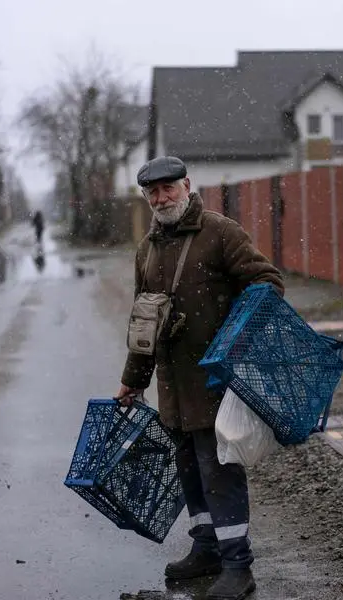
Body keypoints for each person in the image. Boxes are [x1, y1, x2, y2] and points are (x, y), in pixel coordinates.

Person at [116, 156, 284, 600]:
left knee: (219, 469)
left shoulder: (220, 232)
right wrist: (134, 379)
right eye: (152, 192)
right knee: (189, 468)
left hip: (215, 384)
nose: (161, 198)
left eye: (168, 188)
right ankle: (206, 548)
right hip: (173, 385)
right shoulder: (146, 249)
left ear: (187, 185)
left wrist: (236, 341)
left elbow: (267, 283)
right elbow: (143, 322)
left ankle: (238, 565)